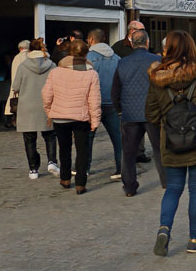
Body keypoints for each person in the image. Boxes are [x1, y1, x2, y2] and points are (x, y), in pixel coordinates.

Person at [146, 30, 196, 256]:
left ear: (168, 49)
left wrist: (167, 118)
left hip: (171, 141)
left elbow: (150, 113)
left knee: (173, 188)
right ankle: (194, 238)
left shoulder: (157, 78)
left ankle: (164, 229)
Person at [42, 39, 101, 194]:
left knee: (64, 148)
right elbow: (94, 100)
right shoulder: (91, 73)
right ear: (86, 53)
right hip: (81, 117)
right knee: (83, 151)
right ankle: (81, 183)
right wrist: (95, 120)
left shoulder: (55, 71)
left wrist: (50, 111)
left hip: (60, 116)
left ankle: (65, 178)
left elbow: (46, 95)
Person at [112, 30, 165, 196]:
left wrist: (120, 110)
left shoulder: (122, 63)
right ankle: (166, 181)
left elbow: (115, 90)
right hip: (153, 113)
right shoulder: (157, 60)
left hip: (129, 113)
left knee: (128, 152)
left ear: (132, 44)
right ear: (147, 42)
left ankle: (129, 187)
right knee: (159, 149)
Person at [11, 38, 57, 179]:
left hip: (27, 106)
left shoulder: (23, 65)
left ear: (30, 50)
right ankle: (52, 161)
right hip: (46, 104)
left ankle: (33, 169)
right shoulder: (52, 65)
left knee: (29, 139)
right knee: (49, 135)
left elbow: (15, 86)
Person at [86, 28, 122, 180]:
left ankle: (85, 167)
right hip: (112, 102)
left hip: (93, 103)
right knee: (118, 138)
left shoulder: (88, 57)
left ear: (91, 40)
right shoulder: (117, 58)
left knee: (87, 138)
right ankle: (121, 168)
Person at [4, 40, 31, 128]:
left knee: (15, 103)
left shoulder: (16, 57)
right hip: (26, 85)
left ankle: (13, 121)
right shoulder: (28, 57)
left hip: (16, 84)